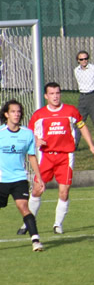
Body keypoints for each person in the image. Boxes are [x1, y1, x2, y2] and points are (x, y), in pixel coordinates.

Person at [21, 82, 94, 235]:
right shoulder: (39, 115)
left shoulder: (71, 111)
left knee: (64, 192)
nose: (55, 96)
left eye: (57, 93)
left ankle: (58, 224)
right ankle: (28, 223)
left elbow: (82, 126)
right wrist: (36, 140)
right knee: (37, 190)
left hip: (66, 156)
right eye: (51, 94)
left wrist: (91, 145)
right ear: (46, 96)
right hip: (46, 157)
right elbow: (29, 134)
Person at [1, 100, 45, 251]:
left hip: (19, 178)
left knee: (23, 207)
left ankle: (36, 240)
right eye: (13, 111)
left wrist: (38, 177)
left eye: (18, 111)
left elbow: (32, 156)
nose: (16, 114)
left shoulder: (27, 134)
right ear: (6, 114)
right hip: (1, 180)